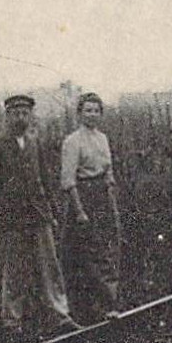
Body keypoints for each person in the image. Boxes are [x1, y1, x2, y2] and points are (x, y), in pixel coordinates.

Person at [0, 94, 81, 338]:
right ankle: (12, 321)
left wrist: (52, 212)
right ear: (7, 116)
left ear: (31, 115)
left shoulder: (35, 143)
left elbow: (44, 179)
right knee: (15, 270)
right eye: (16, 113)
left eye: (25, 113)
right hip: (11, 219)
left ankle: (59, 315)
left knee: (49, 268)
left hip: (38, 215)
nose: (21, 117)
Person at [60, 91, 121, 324]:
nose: (92, 114)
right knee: (84, 252)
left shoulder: (102, 138)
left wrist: (110, 195)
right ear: (79, 113)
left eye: (96, 110)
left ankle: (109, 304)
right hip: (82, 197)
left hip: (102, 197)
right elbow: (68, 180)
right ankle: (84, 308)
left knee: (107, 249)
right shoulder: (72, 141)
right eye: (88, 110)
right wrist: (80, 211)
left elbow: (108, 169)